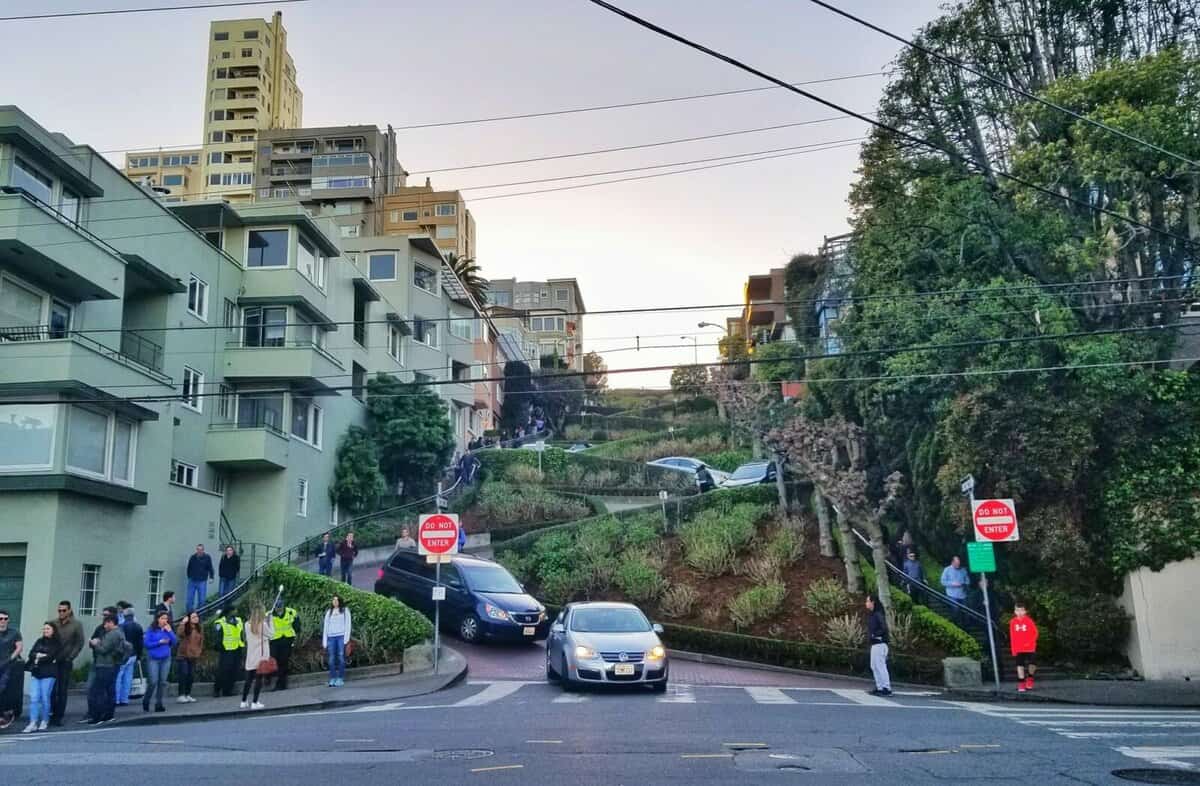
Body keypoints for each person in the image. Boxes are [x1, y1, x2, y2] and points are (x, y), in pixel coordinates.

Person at [50, 600, 84, 727]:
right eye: (59, 610)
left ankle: (59, 716)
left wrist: (71, 657)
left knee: (62, 690)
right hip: (53, 660)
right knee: (52, 689)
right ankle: (52, 712)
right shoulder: (53, 623)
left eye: (64, 610)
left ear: (69, 610)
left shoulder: (76, 625)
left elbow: (79, 643)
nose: (61, 613)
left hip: (66, 660)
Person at [87, 614, 124, 725]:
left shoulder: (112, 634)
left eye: (106, 623)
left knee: (98, 691)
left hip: (105, 665)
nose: (104, 625)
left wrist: (95, 644)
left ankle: (98, 716)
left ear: (112, 623)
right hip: (112, 665)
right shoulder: (120, 633)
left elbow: (103, 649)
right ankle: (108, 714)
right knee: (109, 690)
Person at [22, 622, 60, 733]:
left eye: (48, 629)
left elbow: (51, 656)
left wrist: (39, 657)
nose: (45, 631)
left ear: (53, 630)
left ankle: (44, 720)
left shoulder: (56, 643)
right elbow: (31, 653)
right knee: (34, 698)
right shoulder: (39, 641)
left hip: (49, 674)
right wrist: (38, 655)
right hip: (36, 672)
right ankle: (33, 722)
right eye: (44, 629)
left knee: (44, 697)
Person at [141, 611, 176, 713]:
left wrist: (170, 631)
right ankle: (146, 700)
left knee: (162, 682)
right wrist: (159, 642)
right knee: (153, 681)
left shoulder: (167, 629)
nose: (165, 620)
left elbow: (174, 642)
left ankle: (159, 703)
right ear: (157, 619)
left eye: (166, 618)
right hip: (153, 658)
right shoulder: (151, 630)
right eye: (162, 618)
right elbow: (147, 644)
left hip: (166, 658)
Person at [240, 606, 273, 710]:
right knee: (259, 680)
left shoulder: (246, 624)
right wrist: (270, 620)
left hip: (251, 656)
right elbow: (272, 634)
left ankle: (243, 701)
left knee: (248, 680)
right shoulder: (262, 625)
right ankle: (255, 702)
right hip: (261, 656)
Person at [212, 607, 244, 698]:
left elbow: (241, 632)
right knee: (223, 671)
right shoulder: (220, 622)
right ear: (229, 612)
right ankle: (217, 690)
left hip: (237, 648)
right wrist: (220, 647)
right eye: (234, 610)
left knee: (234, 670)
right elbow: (218, 637)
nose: (236, 611)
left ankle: (228, 690)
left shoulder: (238, 620)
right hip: (226, 649)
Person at [115, 606, 144, 706]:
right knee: (128, 677)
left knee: (118, 677)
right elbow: (140, 643)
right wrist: (139, 655)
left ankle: (116, 699)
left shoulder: (121, 626)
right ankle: (125, 699)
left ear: (124, 615)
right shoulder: (138, 626)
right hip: (134, 654)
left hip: (123, 655)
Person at [864, 594, 892, 697]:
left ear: (873, 602)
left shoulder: (878, 614)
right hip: (875, 644)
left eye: (867, 601)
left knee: (880, 666)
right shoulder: (873, 614)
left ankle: (886, 688)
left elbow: (883, 628)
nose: (866, 603)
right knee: (874, 666)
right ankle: (880, 687)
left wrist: (875, 634)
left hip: (880, 644)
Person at [0, 608, 23, 730]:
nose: (3, 621)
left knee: (2, 688)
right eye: (0, 619)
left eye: (5, 619)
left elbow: (19, 647)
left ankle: (3, 715)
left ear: (8, 620)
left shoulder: (14, 632)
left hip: (7, 666)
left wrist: (10, 659)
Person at [1010, 602, 1040, 693]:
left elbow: (1035, 633)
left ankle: (1030, 677)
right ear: (1015, 611)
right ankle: (1021, 683)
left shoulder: (1029, 621)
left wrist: (1029, 643)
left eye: (1021, 610)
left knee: (1032, 663)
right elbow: (1012, 636)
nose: (1019, 612)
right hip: (1019, 648)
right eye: (1017, 610)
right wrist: (1013, 649)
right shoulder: (1013, 622)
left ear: (1025, 611)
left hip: (1030, 647)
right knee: (1020, 665)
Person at [269, 600, 298, 692]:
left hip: (287, 640)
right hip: (275, 640)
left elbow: (297, 626)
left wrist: (294, 638)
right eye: (277, 608)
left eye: (280, 607)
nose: (279, 609)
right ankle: (271, 679)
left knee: (283, 662)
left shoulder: (291, 612)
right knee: (274, 661)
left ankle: (281, 684)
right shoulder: (269, 614)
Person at [322, 595, 351, 687]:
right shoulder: (329, 612)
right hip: (331, 637)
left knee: (341, 657)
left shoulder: (345, 610)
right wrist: (324, 641)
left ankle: (340, 678)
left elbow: (348, 624)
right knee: (331, 659)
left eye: (336, 600)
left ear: (340, 601)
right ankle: (333, 678)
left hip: (341, 637)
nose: (334, 602)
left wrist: (346, 639)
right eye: (333, 600)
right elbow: (325, 626)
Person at [174, 611, 204, 703]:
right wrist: (183, 623)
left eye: (196, 616)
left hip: (193, 655)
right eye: (193, 617)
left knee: (191, 675)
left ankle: (188, 694)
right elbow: (179, 634)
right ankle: (181, 695)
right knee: (184, 674)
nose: (196, 618)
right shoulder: (186, 627)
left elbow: (201, 641)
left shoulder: (199, 628)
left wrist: (199, 651)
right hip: (183, 655)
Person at [940, 555, 970, 622]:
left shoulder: (963, 570)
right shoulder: (947, 570)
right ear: (952, 562)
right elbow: (943, 582)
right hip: (952, 595)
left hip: (962, 594)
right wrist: (952, 583)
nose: (958, 565)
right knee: (955, 610)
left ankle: (964, 626)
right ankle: (956, 624)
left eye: (959, 563)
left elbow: (968, 580)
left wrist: (964, 583)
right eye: (956, 563)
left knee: (966, 611)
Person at [186, 544, 214, 612]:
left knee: (201, 600)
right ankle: (189, 614)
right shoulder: (193, 557)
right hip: (192, 580)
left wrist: (211, 577)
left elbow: (210, 568)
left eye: (201, 550)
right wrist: (189, 576)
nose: (199, 551)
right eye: (198, 549)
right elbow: (189, 568)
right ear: (196, 550)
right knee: (189, 600)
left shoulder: (207, 557)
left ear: (203, 550)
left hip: (202, 581)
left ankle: (200, 615)